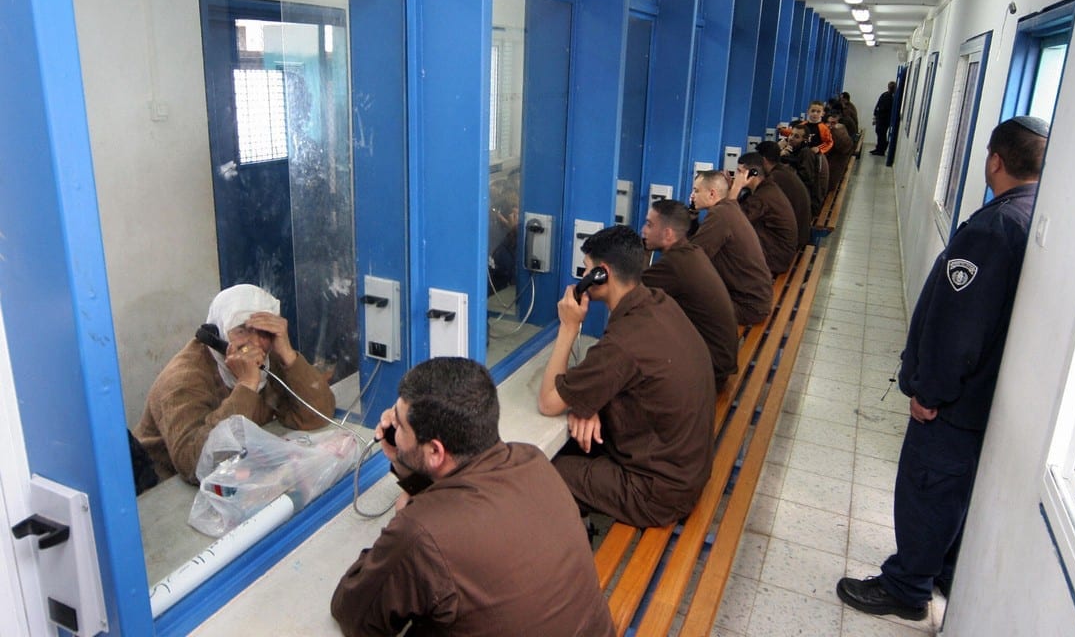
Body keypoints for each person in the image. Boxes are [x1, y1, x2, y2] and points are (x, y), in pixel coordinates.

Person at [836, 116, 1049, 621]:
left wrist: (929, 391)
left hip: (953, 404)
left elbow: (959, 329)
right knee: (950, 493)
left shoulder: (995, 228)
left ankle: (906, 587)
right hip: (979, 400)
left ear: (994, 160)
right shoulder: (1032, 215)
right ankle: (939, 568)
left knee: (926, 489)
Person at [331, 357, 615, 637]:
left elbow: (355, 614)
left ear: (435, 451)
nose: (392, 429)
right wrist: (406, 463)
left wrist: (398, 539)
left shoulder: (420, 533)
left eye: (400, 426)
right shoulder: (531, 459)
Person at [537, 225, 715, 529]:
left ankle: (570, 546)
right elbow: (625, 373)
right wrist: (589, 402)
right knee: (578, 445)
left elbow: (549, 402)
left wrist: (568, 327)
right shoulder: (658, 303)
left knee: (543, 470)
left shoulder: (623, 343)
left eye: (587, 269)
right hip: (685, 469)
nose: (582, 276)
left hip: (655, 493)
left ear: (602, 274)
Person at [133, 284, 335, 484]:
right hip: (166, 485)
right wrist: (246, 384)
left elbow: (317, 416)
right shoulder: (182, 380)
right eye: (241, 330)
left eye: (264, 332)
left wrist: (288, 355)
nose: (255, 343)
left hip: (240, 467)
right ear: (217, 333)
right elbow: (195, 465)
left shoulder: (266, 358)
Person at [641, 199, 739, 389]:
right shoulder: (691, 252)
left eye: (650, 225)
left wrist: (642, 253)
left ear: (668, 234)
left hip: (711, 368)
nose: (644, 230)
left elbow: (630, 294)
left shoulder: (674, 265)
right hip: (721, 359)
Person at [689, 169, 774, 325]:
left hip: (748, 306)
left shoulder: (719, 215)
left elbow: (693, 257)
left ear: (712, 194)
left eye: (696, 190)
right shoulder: (729, 207)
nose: (692, 195)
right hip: (755, 299)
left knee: (684, 305)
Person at [730, 152, 798, 276]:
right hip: (780, 252)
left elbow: (732, 220)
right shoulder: (768, 188)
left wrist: (735, 188)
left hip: (776, 259)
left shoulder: (762, 197)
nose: (737, 176)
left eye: (740, 172)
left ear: (753, 173)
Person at [757, 140, 812, 249]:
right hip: (800, 231)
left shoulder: (775, 178)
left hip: (792, 240)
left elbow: (758, 207)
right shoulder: (784, 172)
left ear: (763, 160)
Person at [870, 81, 896, 155]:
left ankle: (881, 149)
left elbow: (884, 108)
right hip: (881, 118)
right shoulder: (885, 95)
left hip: (884, 119)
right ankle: (879, 148)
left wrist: (876, 114)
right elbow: (878, 105)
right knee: (879, 133)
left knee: (881, 134)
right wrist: (875, 115)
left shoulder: (891, 97)